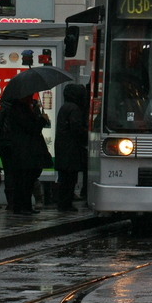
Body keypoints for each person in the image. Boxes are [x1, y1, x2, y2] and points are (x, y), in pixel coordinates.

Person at [0, 94, 52, 215]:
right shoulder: (19, 109)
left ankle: (24, 206)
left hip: (24, 148)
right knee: (23, 178)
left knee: (24, 178)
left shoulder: (24, 107)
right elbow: (30, 128)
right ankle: (22, 206)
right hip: (23, 149)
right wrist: (42, 120)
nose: (31, 97)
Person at [54, 84, 88, 212]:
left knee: (65, 178)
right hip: (71, 149)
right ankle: (65, 204)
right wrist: (88, 133)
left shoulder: (65, 107)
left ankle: (63, 203)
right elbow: (76, 128)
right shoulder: (75, 109)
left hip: (64, 148)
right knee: (70, 179)